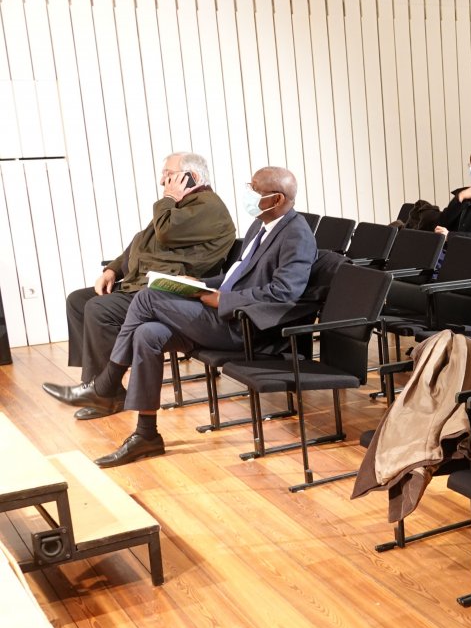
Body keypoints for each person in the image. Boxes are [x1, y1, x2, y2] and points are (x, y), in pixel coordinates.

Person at [42, 167, 318, 467]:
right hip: (223, 314)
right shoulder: (261, 225)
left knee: (147, 297)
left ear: (275, 199)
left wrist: (222, 298)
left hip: (245, 328)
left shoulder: (296, 234)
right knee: (148, 334)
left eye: (253, 189)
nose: (247, 194)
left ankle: (107, 384)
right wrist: (201, 286)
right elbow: (236, 276)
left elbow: (284, 294)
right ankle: (146, 435)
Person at [60, 152, 236, 417]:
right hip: (140, 283)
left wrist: (168, 199)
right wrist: (112, 269)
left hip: (168, 291)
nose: (163, 180)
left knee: (99, 309)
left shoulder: (207, 206)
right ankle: (98, 385)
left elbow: (165, 231)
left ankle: (105, 394)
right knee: (78, 301)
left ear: (193, 177)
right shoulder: (181, 204)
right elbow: (142, 241)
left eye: (169, 174)